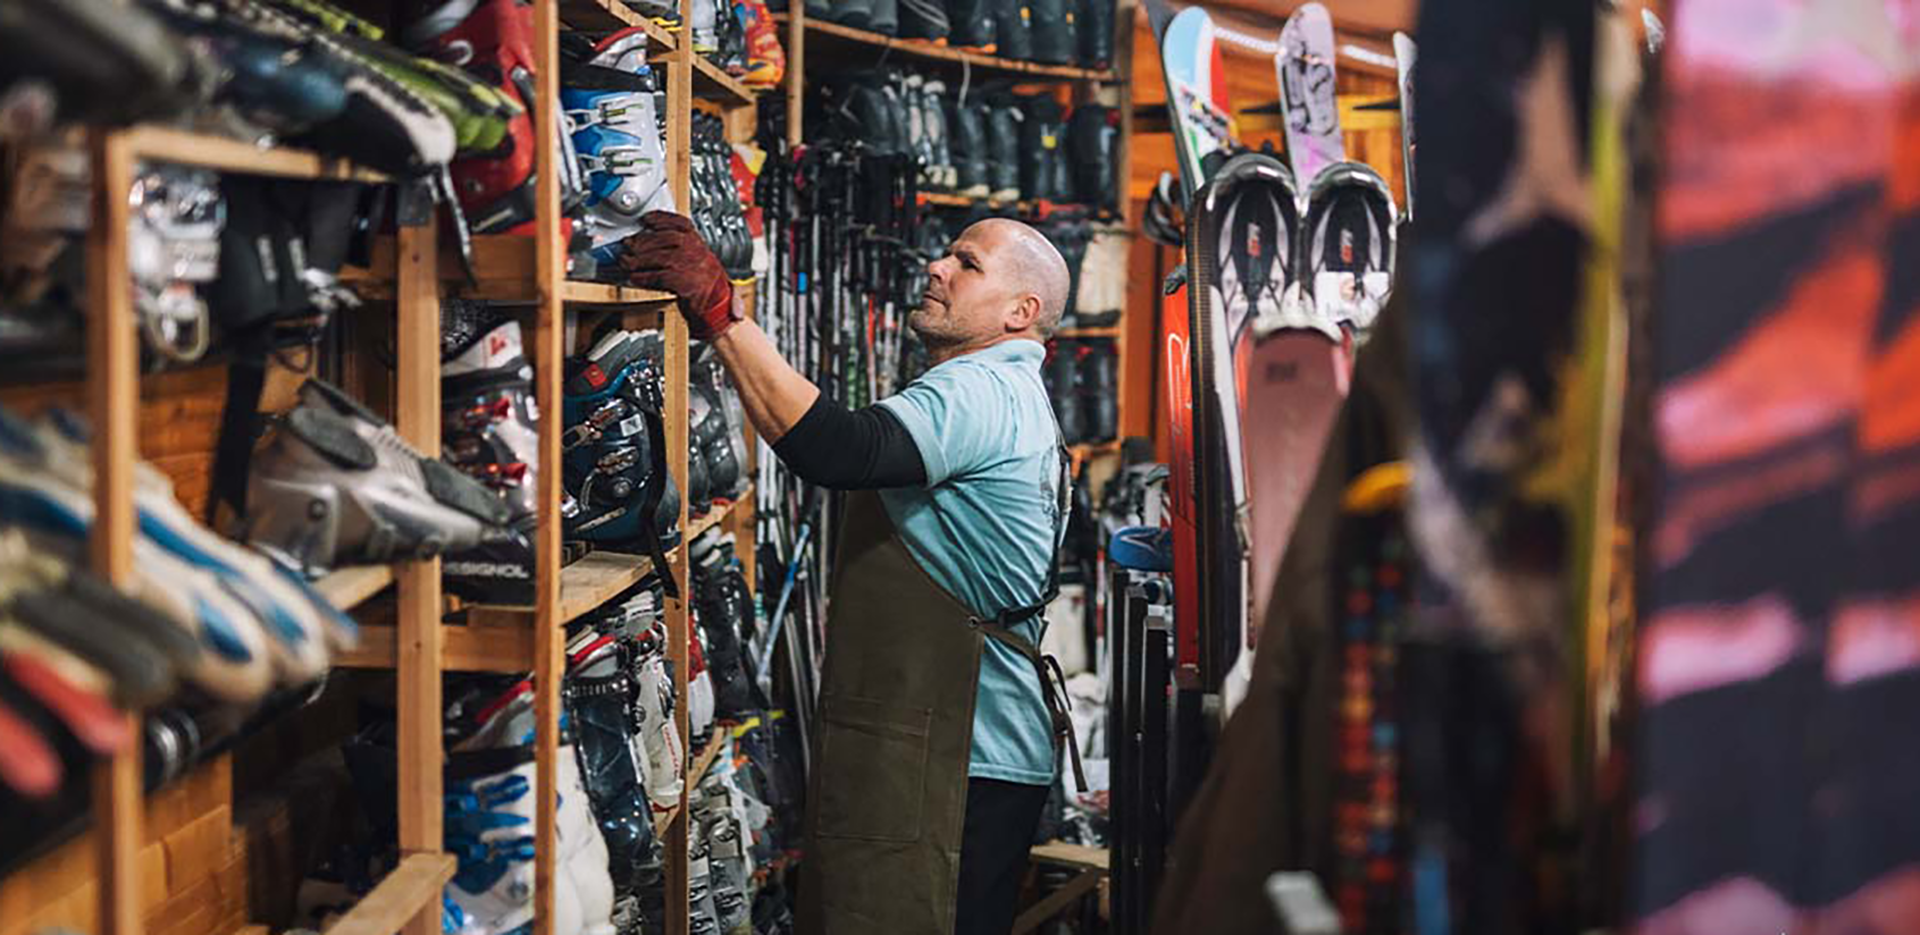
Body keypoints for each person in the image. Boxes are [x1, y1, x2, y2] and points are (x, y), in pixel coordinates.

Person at [625, 211, 1081, 935]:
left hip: (956, 756)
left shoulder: (982, 391)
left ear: (1020, 311)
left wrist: (723, 316)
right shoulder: (1014, 393)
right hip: (965, 751)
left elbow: (841, 450)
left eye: (967, 263)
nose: (938, 266)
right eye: (947, 253)